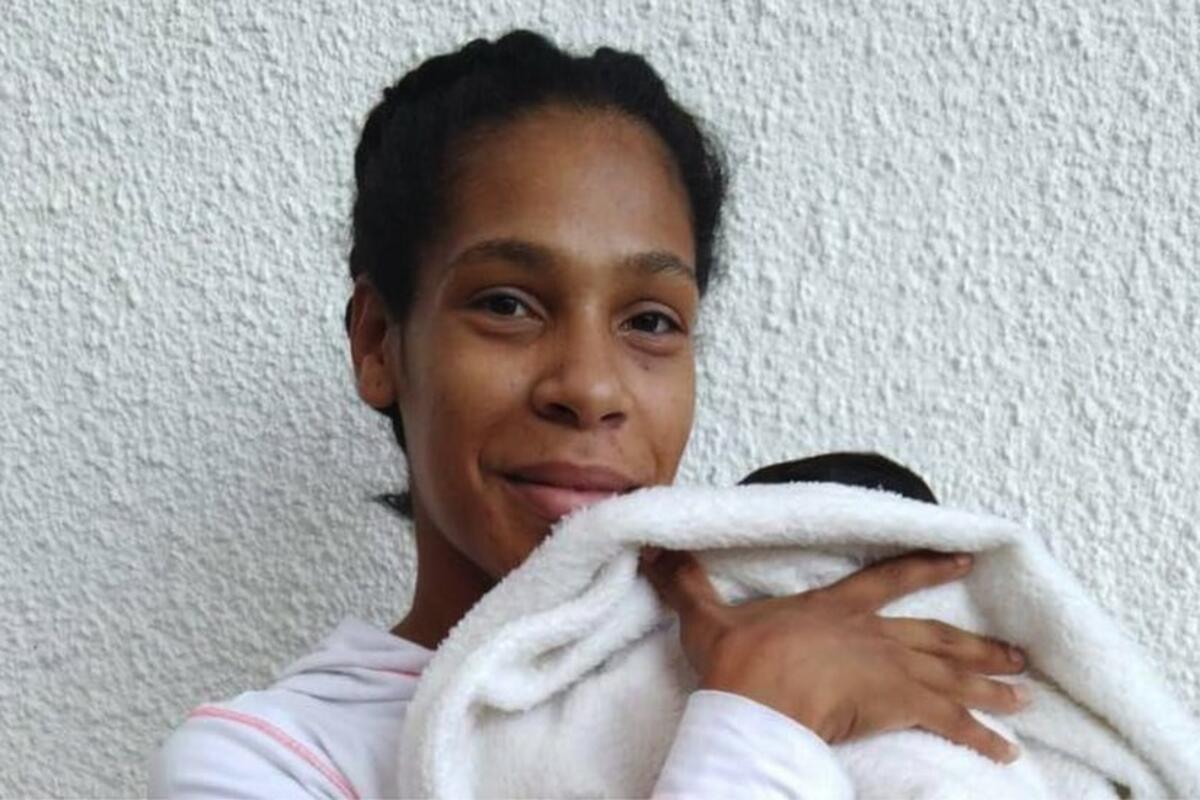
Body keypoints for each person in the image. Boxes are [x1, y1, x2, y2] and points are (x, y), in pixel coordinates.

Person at [146, 29, 1031, 798]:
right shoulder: (271, 762)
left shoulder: (836, 650)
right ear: (380, 342)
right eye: (507, 304)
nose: (591, 386)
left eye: (649, 321)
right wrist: (764, 724)